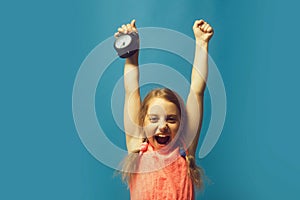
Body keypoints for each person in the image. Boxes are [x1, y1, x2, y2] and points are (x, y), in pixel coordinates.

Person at [114, 19, 214, 200]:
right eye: (154, 119)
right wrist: (131, 53)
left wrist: (201, 44)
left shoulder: (185, 148)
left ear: (181, 124)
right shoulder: (137, 146)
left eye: (171, 119)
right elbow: (131, 90)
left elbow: (197, 91)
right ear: (142, 122)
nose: (163, 126)